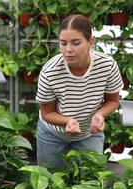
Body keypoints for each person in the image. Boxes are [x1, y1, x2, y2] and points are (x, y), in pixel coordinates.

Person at [35, 14, 123, 171]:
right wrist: (67, 121)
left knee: (92, 180)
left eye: (75, 43)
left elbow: (113, 101)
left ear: (90, 42)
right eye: (63, 43)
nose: (68, 50)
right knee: (50, 182)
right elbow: (47, 113)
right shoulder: (50, 71)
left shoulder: (107, 66)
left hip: (90, 133)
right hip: (52, 133)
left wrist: (99, 114)